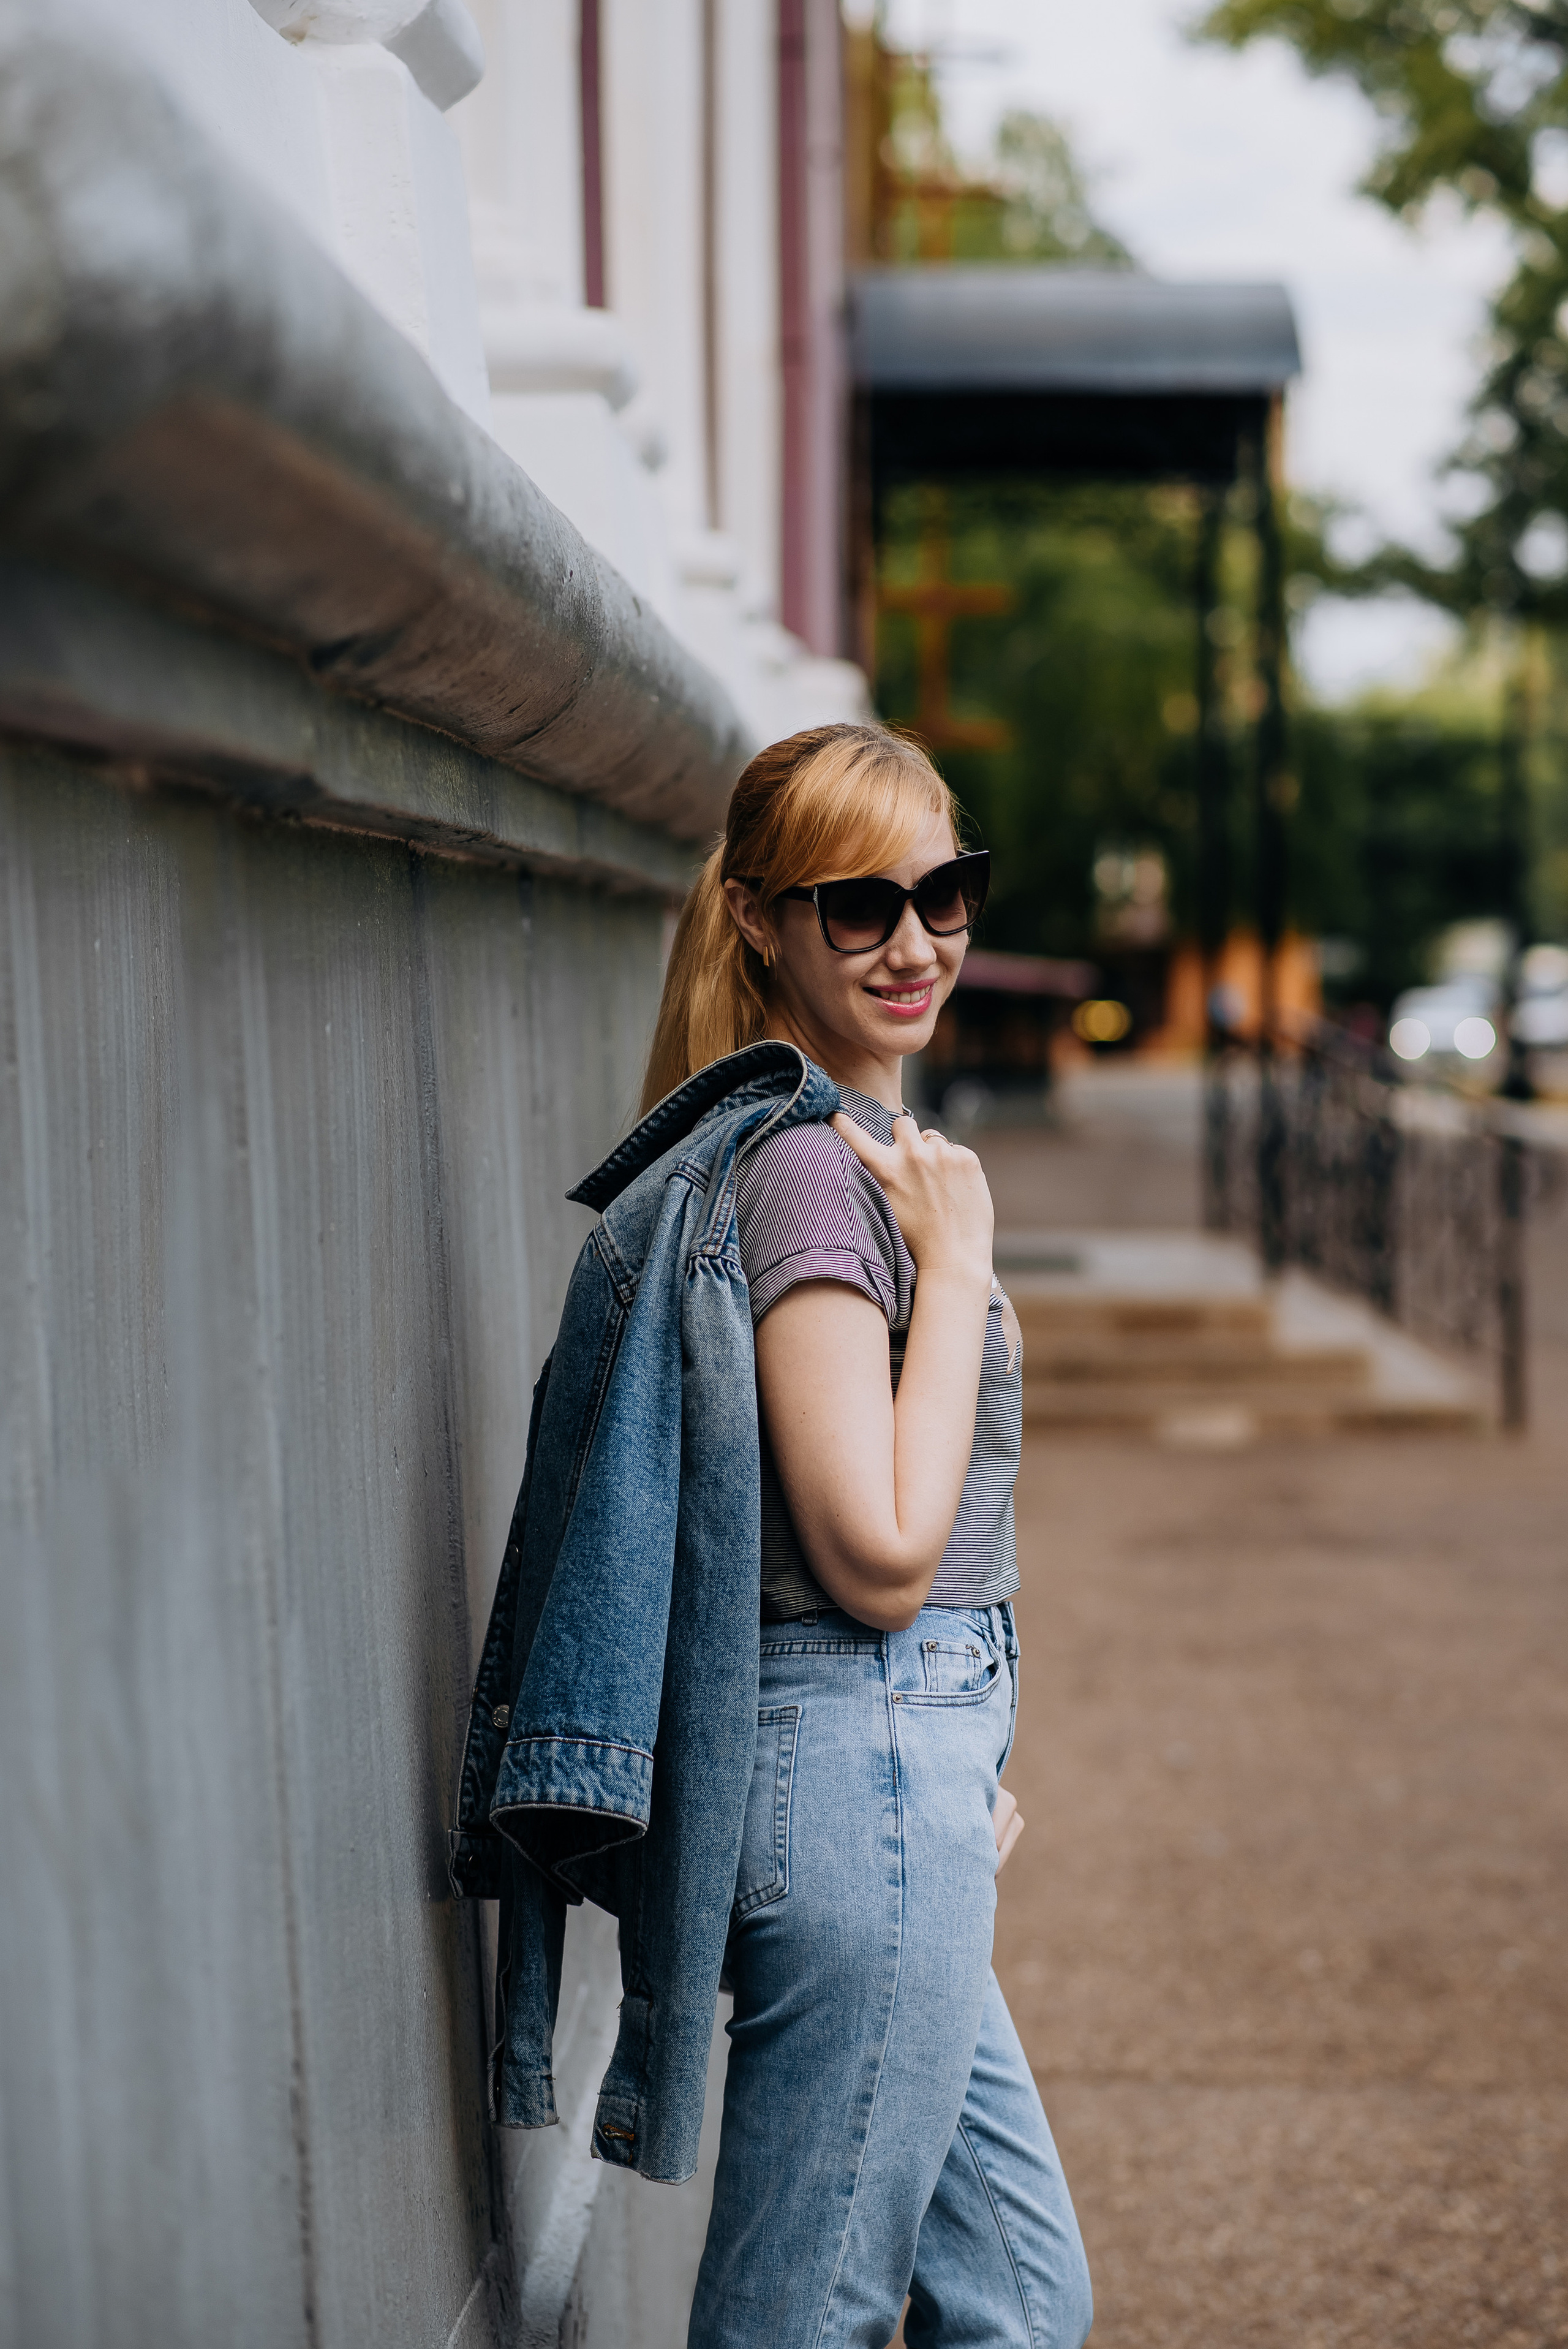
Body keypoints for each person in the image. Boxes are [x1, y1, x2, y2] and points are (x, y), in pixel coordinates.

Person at [638, 722, 1093, 2349]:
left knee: (1022, 2298)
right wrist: (962, 1263)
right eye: (859, 905)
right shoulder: (821, 1182)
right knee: (801, 2318)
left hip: (897, 1767)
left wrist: (949, 1748)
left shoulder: (853, 1159)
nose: (916, 941)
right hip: (860, 1774)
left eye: (944, 890)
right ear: (762, 919)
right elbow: (879, 1554)